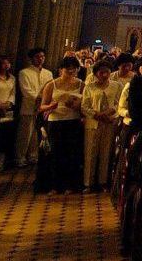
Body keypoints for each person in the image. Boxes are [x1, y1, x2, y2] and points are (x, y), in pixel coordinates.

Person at [39, 56, 84, 193]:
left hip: (73, 120)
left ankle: (70, 184)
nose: (71, 71)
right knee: (56, 153)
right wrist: (51, 106)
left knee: (72, 153)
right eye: (68, 68)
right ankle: (55, 184)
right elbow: (42, 107)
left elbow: (86, 105)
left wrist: (77, 105)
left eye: (74, 69)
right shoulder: (52, 84)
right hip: (56, 121)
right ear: (61, 70)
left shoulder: (81, 85)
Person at [81, 61, 121, 191]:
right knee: (90, 152)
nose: (104, 75)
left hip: (109, 122)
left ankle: (103, 181)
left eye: (107, 72)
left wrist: (109, 113)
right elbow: (84, 106)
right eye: (101, 72)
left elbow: (118, 102)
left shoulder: (116, 85)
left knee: (106, 152)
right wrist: (97, 114)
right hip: (93, 122)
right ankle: (88, 182)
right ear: (96, 73)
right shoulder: (90, 87)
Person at [16, 47, 53, 167]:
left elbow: (51, 88)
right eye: (38, 57)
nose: (40, 59)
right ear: (32, 58)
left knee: (38, 133)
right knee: (25, 133)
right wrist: (39, 98)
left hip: (43, 107)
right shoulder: (24, 72)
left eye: (42, 56)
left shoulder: (48, 73)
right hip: (29, 107)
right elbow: (26, 91)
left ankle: (34, 155)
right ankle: (20, 157)